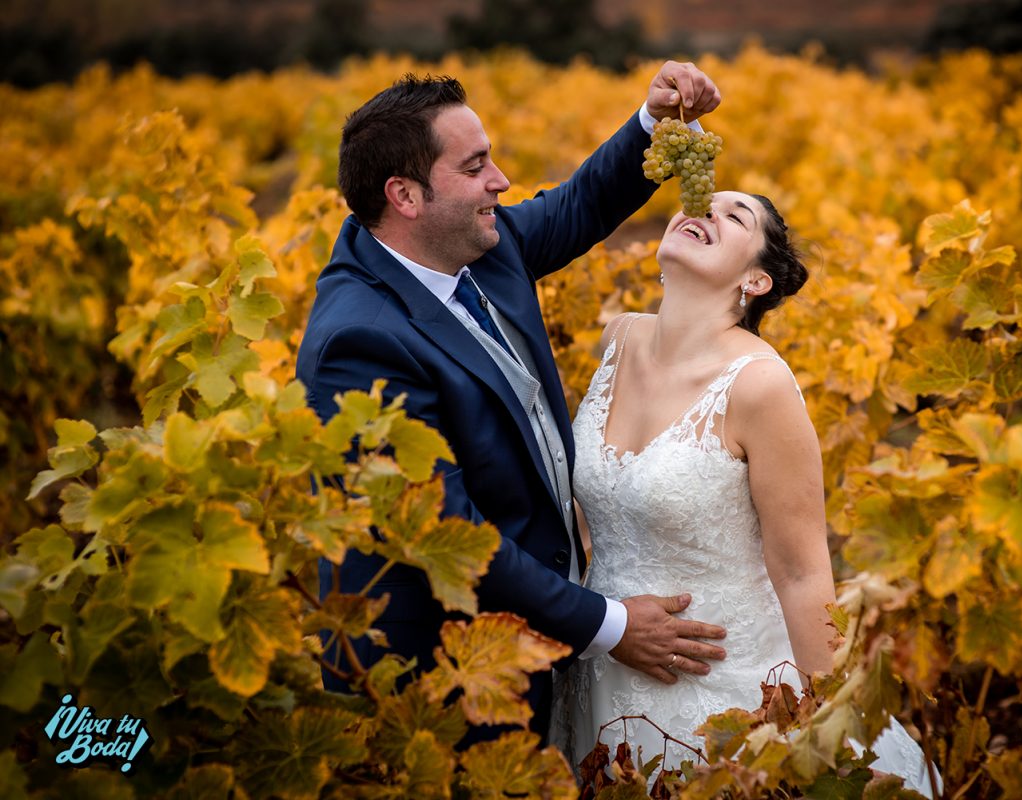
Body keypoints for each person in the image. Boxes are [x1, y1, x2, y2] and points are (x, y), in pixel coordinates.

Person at [294, 64, 730, 743]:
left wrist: (653, 122)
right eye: (474, 167)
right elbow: (454, 536)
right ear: (404, 195)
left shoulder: (476, 247)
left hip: (532, 636)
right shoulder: (359, 342)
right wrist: (608, 626)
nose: (499, 181)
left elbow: (580, 202)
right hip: (442, 684)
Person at [552, 191, 938, 796]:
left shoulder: (760, 386)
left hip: (723, 681)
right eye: (701, 205)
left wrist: (825, 720)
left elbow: (803, 571)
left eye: (733, 217)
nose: (704, 215)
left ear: (756, 281)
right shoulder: (619, 338)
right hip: (606, 658)